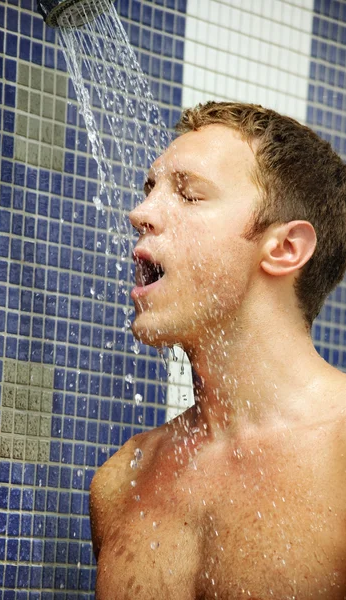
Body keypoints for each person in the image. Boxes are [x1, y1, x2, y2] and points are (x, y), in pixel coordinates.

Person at [90, 101, 346, 599]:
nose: (140, 213)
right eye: (151, 188)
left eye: (187, 195)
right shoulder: (122, 481)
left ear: (285, 248)